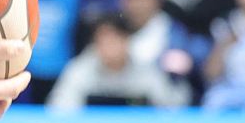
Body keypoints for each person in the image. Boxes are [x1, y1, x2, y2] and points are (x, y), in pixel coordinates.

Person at [47, 13, 190, 109]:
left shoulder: (145, 70)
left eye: (115, 40)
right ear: (95, 44)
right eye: (104, 41)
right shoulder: (79, 69)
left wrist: (179, 81)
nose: (110, 47)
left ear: (127, 41)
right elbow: (59, 108)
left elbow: (171, 108)